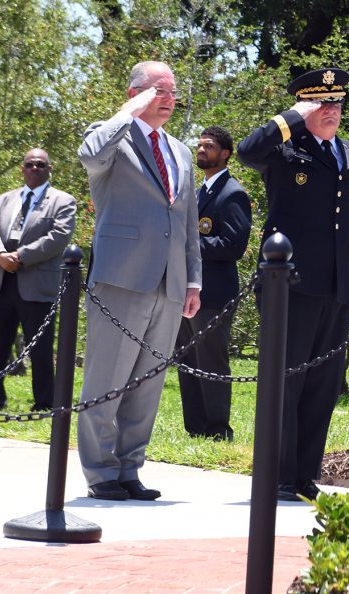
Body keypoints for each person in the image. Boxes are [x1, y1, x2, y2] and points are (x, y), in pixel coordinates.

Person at [237, 67, 349, 501]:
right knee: (286, 381)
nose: (331, 111)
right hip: (289, 285)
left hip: (334, 286)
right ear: (303, 107)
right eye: (320, 104)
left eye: (336, 103)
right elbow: (247, 151)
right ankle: (278, 475)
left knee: (322, 385)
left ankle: (306, 474)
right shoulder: (285, 148)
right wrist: (291, 117)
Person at [77, 60, 201, 501]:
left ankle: (130, 468)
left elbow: (186, 220)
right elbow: (90, 156)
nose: (168, 99)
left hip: (169, 283)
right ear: (135, 94)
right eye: (158, 91)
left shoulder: (180, 151)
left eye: (172, 92)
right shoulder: (112, 134)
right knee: (107, 379)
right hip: (121, 278)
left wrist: (193, 282)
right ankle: (100, 472)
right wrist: (127, 112)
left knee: (147, 383)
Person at [0, 148, 77, 411]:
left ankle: (44, 402)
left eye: (41, 165)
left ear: (49, 170)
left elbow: (58, 237)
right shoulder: (5, 200)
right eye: (30, 164)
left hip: (36, 283)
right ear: (22, 169)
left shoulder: (63, 201)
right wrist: (0, 255)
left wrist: (20, 257)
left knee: (41, 349)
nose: (35, 168)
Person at [174, 126, 251, 440]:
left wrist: (189, 244)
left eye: (209, 146)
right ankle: (196, 427)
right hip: (186, 288)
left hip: (214, 291)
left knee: (211, 361)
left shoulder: (232, 193)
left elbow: (234, 245)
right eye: (200, 144)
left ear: (226, 154)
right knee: (188, 360)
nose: (201, 150)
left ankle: (219, 429)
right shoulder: (197, 190)